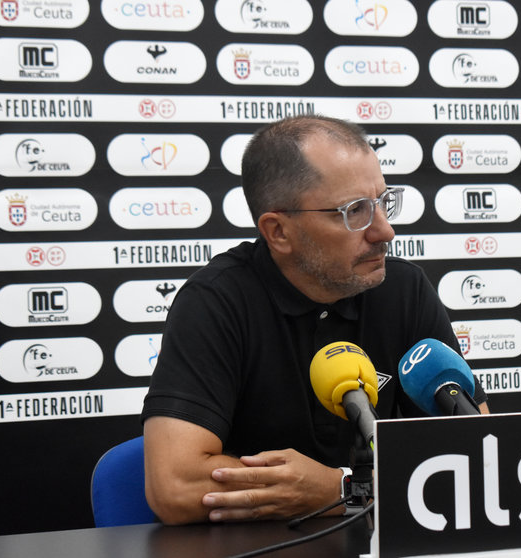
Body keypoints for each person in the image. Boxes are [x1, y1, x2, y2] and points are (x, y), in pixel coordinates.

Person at [141, 115, 489, 525]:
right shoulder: (217, 301)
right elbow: (174, 485)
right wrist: (372, 488)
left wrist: (338, 489)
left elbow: (478, 456)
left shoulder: (404, 289)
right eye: (354, 211)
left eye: (383, 201)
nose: (385, 230)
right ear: (279, 232)